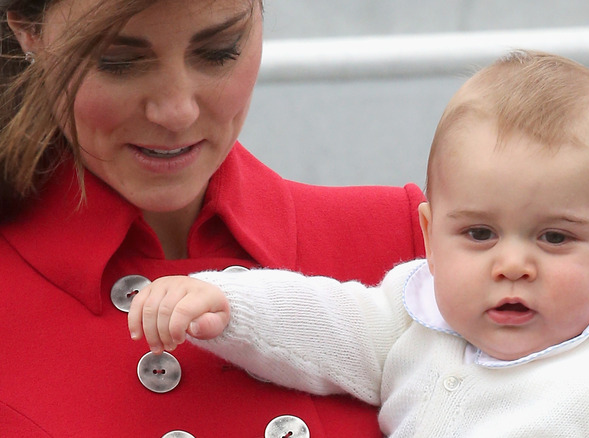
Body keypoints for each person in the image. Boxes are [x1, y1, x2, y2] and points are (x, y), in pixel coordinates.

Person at [129, 50, 589, 436]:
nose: (512, 264)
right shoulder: (418, 321)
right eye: (479, 234)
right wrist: (226, 304)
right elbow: (327, 323)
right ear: (431, 237)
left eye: (555, 237)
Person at [0, 0, 425, 436]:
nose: (177, 111)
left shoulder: (413, 250)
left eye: (219, 51)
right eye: (119, 62)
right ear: (27, 32)